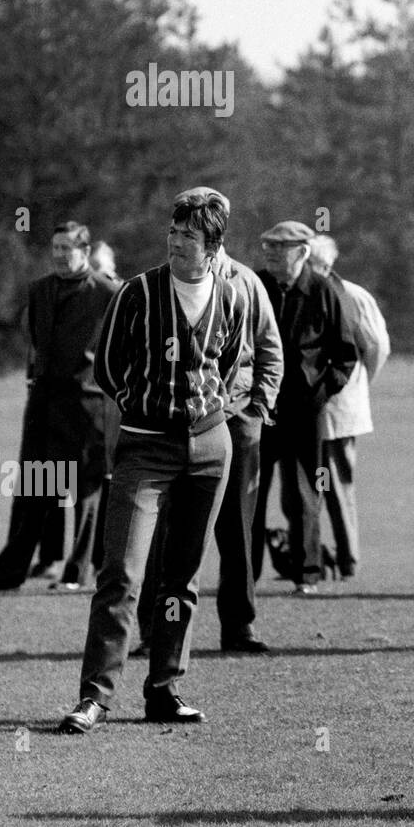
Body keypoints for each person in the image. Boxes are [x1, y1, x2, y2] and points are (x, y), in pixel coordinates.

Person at [57, 193, 247, 734]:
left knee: (181, 578)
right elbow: (111, 368)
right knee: (121, 573)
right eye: (173, 229)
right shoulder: (136, 293)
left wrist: (202, 417)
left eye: (188, 233)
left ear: (213, 245)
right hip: (145, 448)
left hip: (211, 449)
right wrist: (151, 412)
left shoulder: (232, 299)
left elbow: (229, 366)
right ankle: (94, 696)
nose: (176, 239)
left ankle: (164, 689)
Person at [134, 187, 284, 655]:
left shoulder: (244, 283)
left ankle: (239, 629)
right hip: (175, 424)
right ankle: (151, 630)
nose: (182, 237)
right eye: (179, 226)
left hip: (236, 423)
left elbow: (269, 351)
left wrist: (258, 409)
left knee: (238, 531)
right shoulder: (160, 283)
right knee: (164, 531)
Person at [0, 222, 119, 594]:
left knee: (84, 496)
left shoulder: (109, 292)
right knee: (37, 492)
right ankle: (8, 575)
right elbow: (35, 341)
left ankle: (76, 574)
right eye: (55, 248)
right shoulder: (39, 290)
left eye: (66, 249)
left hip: (87, 409)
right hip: (44, 406)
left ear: (85, 252)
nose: (58, 255)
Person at [254, 220, 358, 594]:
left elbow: (346, 354)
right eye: (267, 247)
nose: (270, 254)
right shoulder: (255, 286)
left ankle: (307, 573)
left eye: (279, 248)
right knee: (251, 493)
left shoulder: (323, 290)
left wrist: (320, 392)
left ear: (302, 252)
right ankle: (245, 575)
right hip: (258, 410)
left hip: (304, 411)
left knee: (305, 492)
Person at [307, 235, 391, 580]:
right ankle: (309, 560)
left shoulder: (353, 297)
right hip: (303, 410)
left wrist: (357, 385)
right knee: (303, 489)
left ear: (324, 265)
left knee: (337, 487)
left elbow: (376, 348)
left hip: (340, 409)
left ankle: (347, 560)